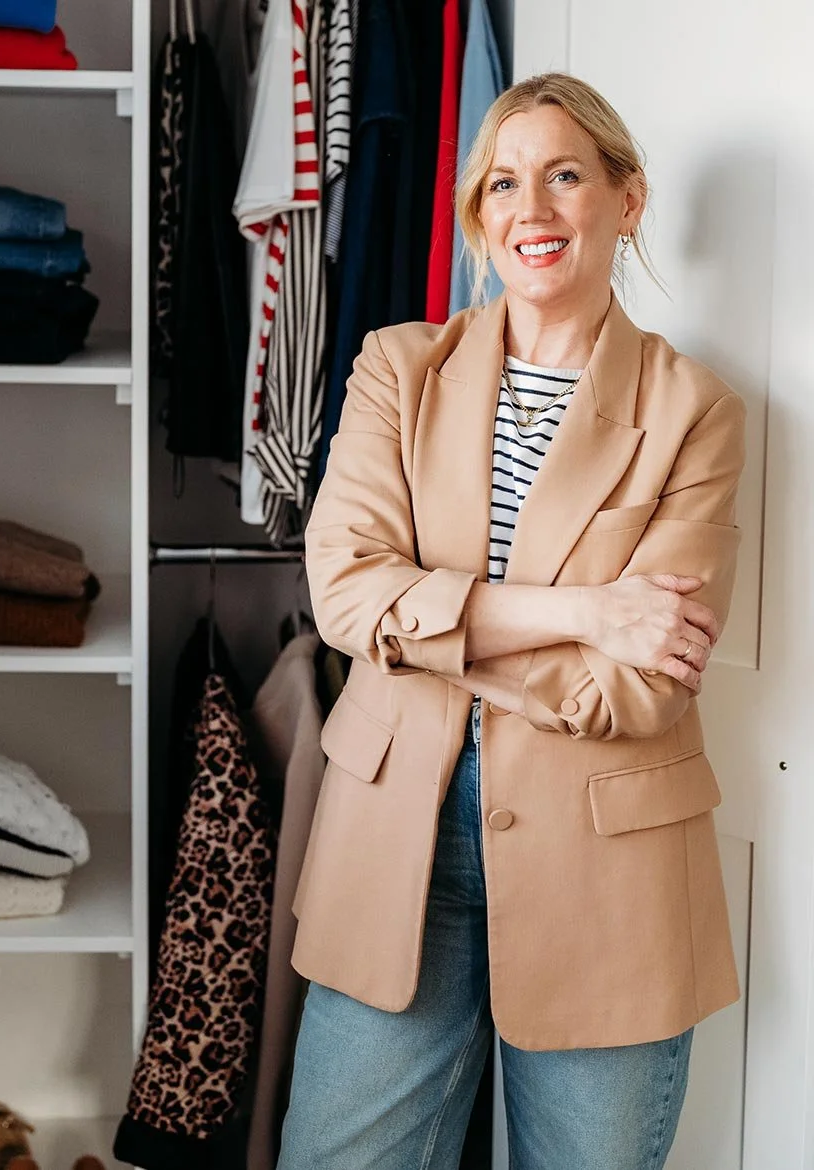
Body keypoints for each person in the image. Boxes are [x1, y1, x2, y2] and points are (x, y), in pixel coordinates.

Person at [277, 73, 747, 1170]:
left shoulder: (696, 414)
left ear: (625, 200)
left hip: (607, 862)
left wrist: (424, 639)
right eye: (502, 183)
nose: (530, 208)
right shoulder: (396, 369)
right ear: (479, 220)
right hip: (398, 837)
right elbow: (345, 594)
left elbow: (637, 682)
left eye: (564, 175)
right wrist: (585, 611)